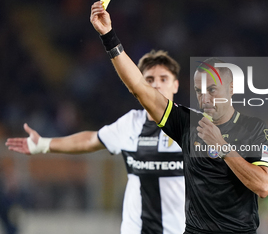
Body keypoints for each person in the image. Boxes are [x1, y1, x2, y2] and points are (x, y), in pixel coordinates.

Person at [89, 1, 268, 234]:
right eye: (199, 92)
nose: (205, 98)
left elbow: (263, 185)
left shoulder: (255, 129)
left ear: (231, 89)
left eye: (212, 90)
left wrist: (222, 147)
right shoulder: (187, 123)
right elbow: (140, 88)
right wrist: (109, 36)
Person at [5, 50, 186, 234]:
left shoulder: (190, 127)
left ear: (176, 85)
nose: (156, 85)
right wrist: (44, 144)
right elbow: (90, 140)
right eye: (149, 80)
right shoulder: (131, 123)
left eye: (164, 79)